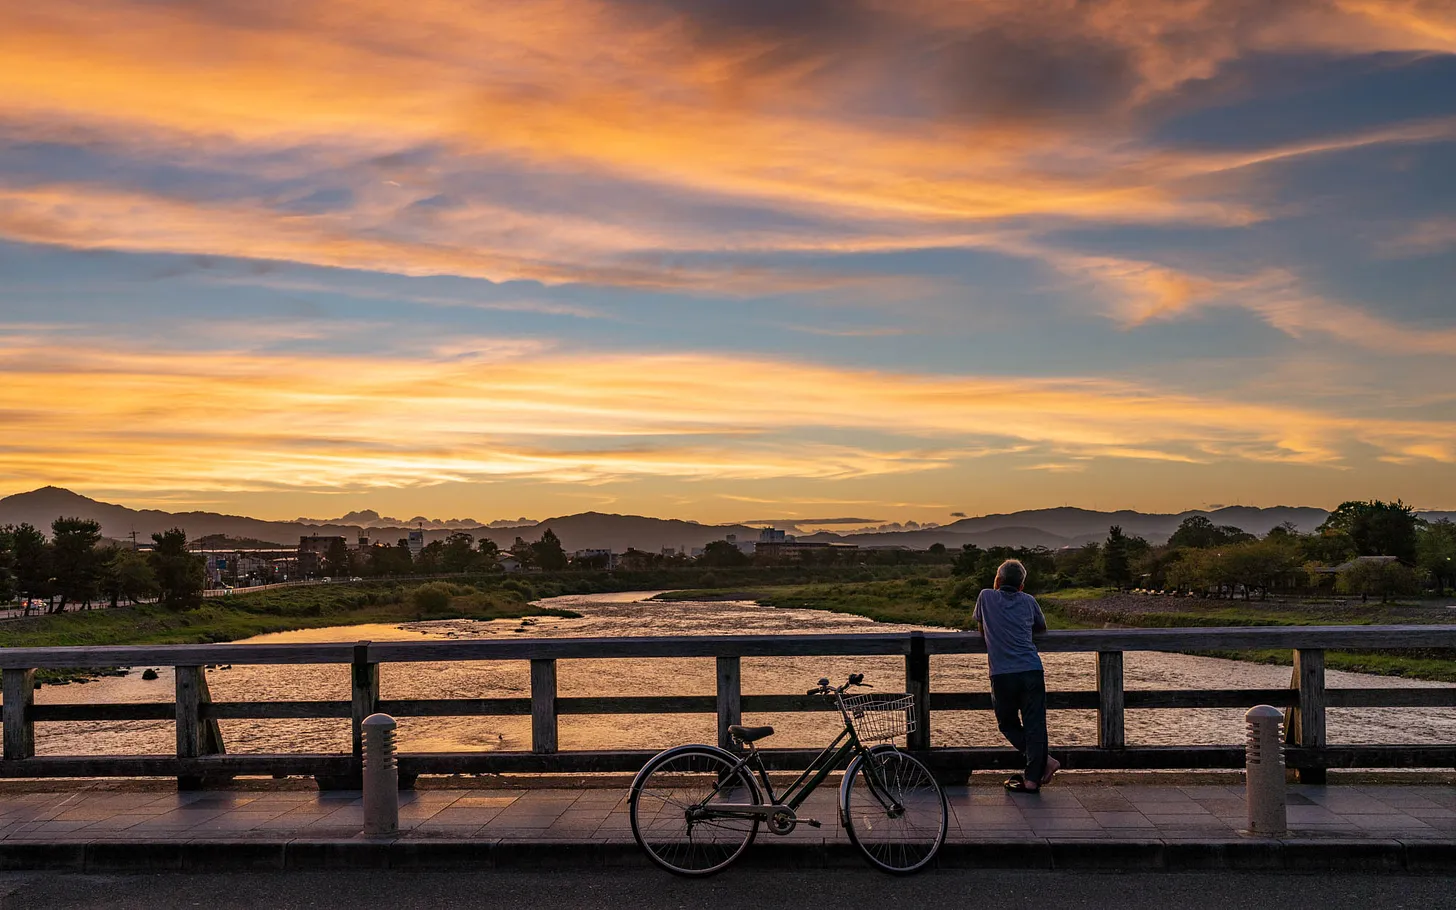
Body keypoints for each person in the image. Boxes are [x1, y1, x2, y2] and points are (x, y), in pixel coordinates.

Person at [972, 558, 1060, 793]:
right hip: (1031, 669)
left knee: (1008, 723)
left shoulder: (985, 597)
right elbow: (1041, 627)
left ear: (997, 581)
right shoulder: (1029, 601)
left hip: (1002, 673)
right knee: (1035, 725)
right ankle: (1035, 776)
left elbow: (981, 629)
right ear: (1021, 586)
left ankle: (1041, 767)